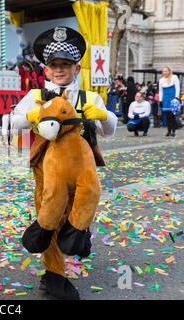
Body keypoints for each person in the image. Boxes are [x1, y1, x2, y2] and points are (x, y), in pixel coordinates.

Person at [10, 26, 117, 300]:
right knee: (50, 222)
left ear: (77, 68)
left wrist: (103, 116)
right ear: (45, 70)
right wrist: (30, 117)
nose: (59, 70)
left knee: (79, 212)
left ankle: (79, 234)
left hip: (82, 174)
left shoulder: (90, 97)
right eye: (54, 65)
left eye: (65, 64)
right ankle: (54, 276)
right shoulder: (34, 96)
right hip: (46, 175)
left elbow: (110, 131)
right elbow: (8, 126)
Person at [159, 66, 180, 136]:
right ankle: (168, 130)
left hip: (173, 98)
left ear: (169, 71)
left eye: (166, 71)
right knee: (167, 116)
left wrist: (176, 98)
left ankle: (173, 131)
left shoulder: (174, 77)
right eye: (163, 71)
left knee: (172, 115)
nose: (164, 73)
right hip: (165, 99)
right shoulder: (161, 80)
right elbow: (160, 91)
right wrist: (160, 100)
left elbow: (177, 88)